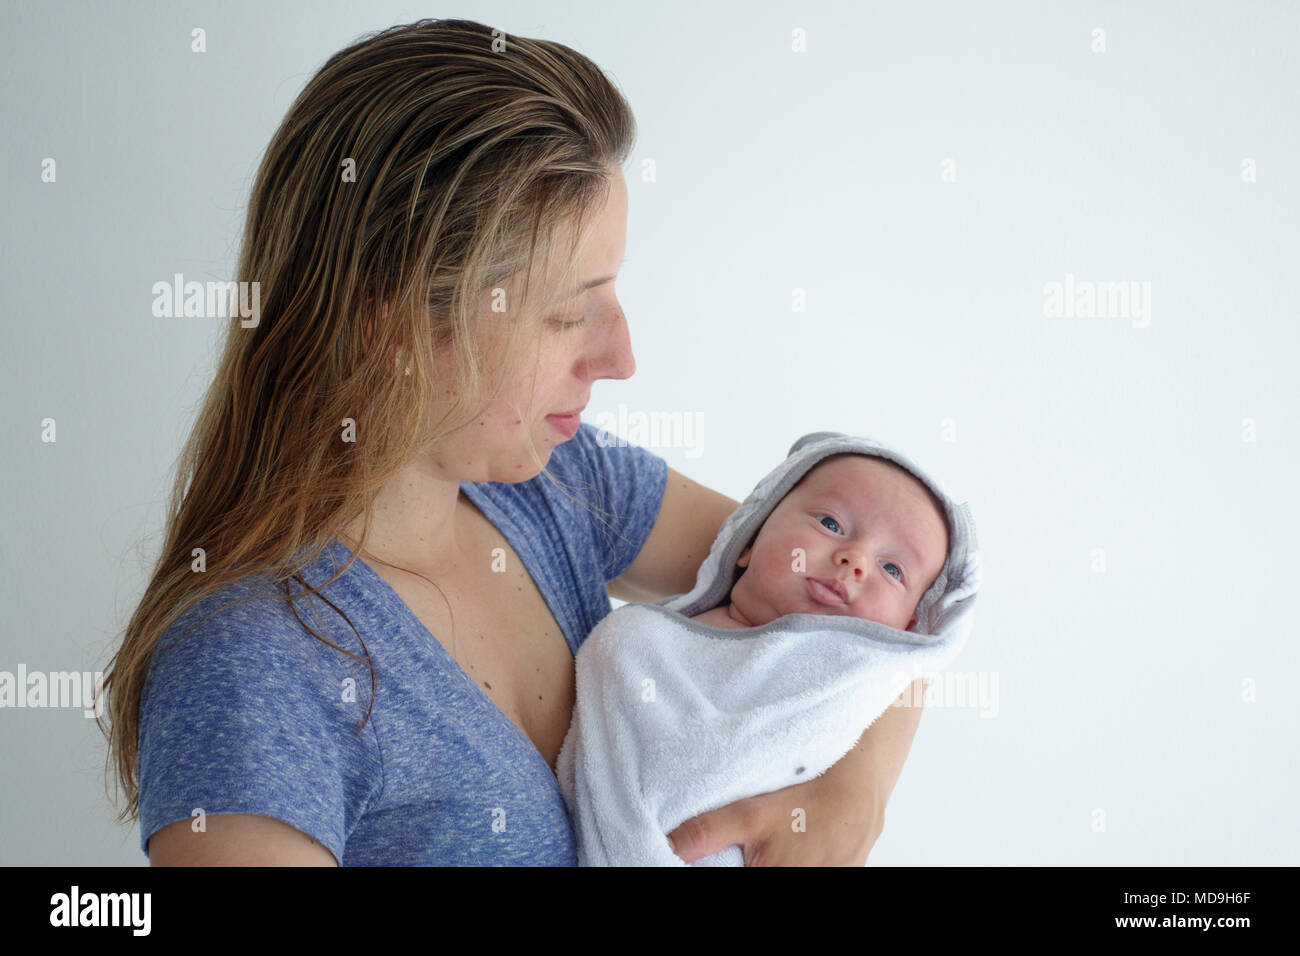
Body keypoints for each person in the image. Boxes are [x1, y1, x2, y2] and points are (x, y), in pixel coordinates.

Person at [98, 17, 927, 866]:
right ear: (396, 332)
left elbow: (894, 612)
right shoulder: (254, 670)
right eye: (570, 313)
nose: (621, 356)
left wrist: (851, 790)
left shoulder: (555, 482)